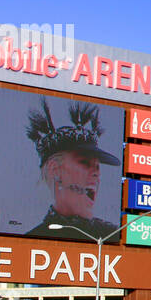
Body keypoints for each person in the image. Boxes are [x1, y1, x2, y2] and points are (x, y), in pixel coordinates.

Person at [25, 98, 120, 240]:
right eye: (84, 163)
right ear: (54, 169)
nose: (96, 174)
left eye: (97, 167)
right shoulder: (32, 238)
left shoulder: (112, 234)